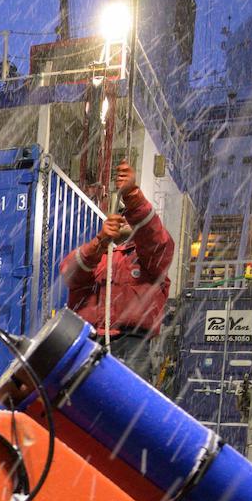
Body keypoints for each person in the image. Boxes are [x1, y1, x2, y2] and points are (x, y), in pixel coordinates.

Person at [59, 160, 174, 382]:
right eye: (121, 213)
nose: (124, 219)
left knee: (126, 402)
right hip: (88, 343)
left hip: (132, 347)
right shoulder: (96, 254)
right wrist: (99, 243)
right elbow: (69, 272)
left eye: (129, 215)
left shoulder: (151, 259)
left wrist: (132, 195)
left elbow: (155, 239)